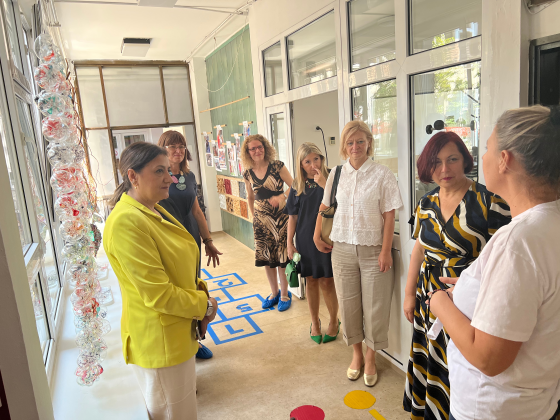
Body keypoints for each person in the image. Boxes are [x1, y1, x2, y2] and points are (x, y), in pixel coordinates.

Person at [428, 105, 560, 420]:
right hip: (535, 404)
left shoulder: (518, 241)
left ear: (504, 159)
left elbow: (489, 358)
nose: (483, 157)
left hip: (493, 409)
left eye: (487, 148)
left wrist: (440, 303)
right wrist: (477, 286)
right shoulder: (548, 223)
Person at [104, 142, 218, 419]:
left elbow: (176, 269)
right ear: (133, 176)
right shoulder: (126, 222)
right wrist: (204, 305)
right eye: (159, 171)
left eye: (168, 170)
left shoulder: (152, 209)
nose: (170, 178)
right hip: (161, 342)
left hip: (177, 332)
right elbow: (159, 295)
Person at [402, 131, 511, 420]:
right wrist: (409, 294)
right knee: (431, 357)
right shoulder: (426, 203)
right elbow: (419, 250)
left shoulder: (490, 202)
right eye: (436, 162)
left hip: (467, 300)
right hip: (429, 296)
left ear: (465, 160)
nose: (444, 169)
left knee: (461, 365)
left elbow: (502, 259)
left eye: (452, 159)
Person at [314, 121, 403, 387]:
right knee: (348, 303)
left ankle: (371, 356)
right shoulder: (336, 173)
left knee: (376, 306)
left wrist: (386, 250)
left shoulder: (382, 174)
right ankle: (356, 354)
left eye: (361, 141)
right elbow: (325, 206)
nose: (355, 147)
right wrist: (316, 234)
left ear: (369, 143)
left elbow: (389, 215)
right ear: (344, 146)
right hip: (341, 248)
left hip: (373, 249)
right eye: (350, 142)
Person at [157, 130, 222, 360]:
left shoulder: (189, 176)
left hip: (190, 237)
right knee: (177, 290)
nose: (178, 151)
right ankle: (181, 343)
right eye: (172, 146)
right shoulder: (158, 177)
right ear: (162, 149)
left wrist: (208, 240)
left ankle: (196, 340)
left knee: (193, 286)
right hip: (168, 238)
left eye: (181, 146)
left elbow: (196, 211)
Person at [285, 142, 339, 344]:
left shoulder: (333, 177)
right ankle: (314, 321)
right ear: (301, 164)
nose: (313, 164)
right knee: (311, 280)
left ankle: (333, 320)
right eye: (307, 161)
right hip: (305, 239)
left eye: (316, 159)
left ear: (321, 159)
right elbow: (292, 216)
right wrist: (289, 243)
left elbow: (341, 203)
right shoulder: (297, 185)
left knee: (327, 280)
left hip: (328, 237)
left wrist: (325, 184)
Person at [241, 134, 294, 311]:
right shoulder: (247, 173)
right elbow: (250, 197)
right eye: (253, 148)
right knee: (267, 258)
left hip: (281, 220)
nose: (257, 151)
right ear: (248, 152)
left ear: (265, 148)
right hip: (261, 223)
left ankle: (285, 294)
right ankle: (274, 292)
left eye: (260, 147)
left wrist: (281, 196)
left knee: (282, 258)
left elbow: (295, 185)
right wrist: (254, 217)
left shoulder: (277, 166)